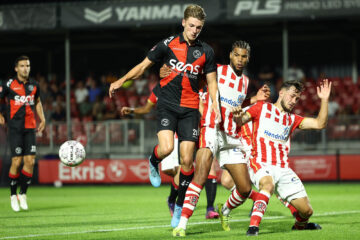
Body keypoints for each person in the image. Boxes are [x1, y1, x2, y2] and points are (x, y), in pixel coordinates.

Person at [109, 4, 220, 225]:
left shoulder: (206, 51)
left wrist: (215, 105)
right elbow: (142, 67)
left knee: (188, 163)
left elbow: (212, 82)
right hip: (168, 105)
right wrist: (121, 81)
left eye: (199, 27)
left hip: (190, 109)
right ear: (183, 22)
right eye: (191, 25)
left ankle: (179, 206)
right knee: (167, 148)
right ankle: (153, 160)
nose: (195, 30)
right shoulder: (167, 44)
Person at [172, 40, 270, 236]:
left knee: (243, 188)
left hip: (231, 135)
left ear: (248, 58)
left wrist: (254, 99)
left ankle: (224, 210)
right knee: (200, 177)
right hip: (211, 129)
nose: (240, 59)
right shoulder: (216, 70)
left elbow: (237, 104)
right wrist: (170, 72)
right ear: (230, 55)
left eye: (244, 56)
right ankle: (182, 225)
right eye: (237, 55)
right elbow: (189, 73)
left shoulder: (245, 81)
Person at [226, 79, 330, 236]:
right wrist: (237, 116)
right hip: (260, 161)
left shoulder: (292, 119)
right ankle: (253, 227)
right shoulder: (262, 107)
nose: (294, 101)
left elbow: (319, 124)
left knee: (307, 211)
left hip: (283, 168)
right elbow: (241, 120)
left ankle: (299, 227)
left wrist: (324, 99)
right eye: (292, 95)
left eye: (297, 98)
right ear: (281, 92)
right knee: (267, 185)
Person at [121, 83, 219, 219]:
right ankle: (172, 200)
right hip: (181, 133)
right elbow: (147, 108)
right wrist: (132, 111)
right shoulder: (166, 86)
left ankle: (209, 208)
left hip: (203, 130)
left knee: (209, 168)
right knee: (180, 172)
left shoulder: (209, 86)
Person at [0, 55, 46, 212]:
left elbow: (38, 102)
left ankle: (23, 194)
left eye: (27, 65)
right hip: (14, 129)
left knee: (30, 161)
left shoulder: (34, 85)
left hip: (30, 128)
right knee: (16, 162)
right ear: (16, 68)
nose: (26, 68)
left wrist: (43, 119)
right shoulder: (8, 84)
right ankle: (13, 195)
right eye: (22, 66)